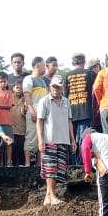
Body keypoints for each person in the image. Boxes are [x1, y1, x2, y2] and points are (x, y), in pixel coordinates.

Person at [36, 75, 75, 206]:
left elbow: (69, 121)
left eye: (58, 87)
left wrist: (73, 140)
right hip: (49, 139)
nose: (55, 89)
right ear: (50, 87)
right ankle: (52, 195)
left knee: (59, 169)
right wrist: (41, 139)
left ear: (62, 88)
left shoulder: (66, 102)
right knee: (50, 169)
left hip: (63, 139)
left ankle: (48, 196)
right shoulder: (44, 101)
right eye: (53, 87)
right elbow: (39, 121)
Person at [65, 53, 95, 163]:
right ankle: (82, 162)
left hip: (71, 112)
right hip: (85, 111)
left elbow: (65, 94)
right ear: (84, 61)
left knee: (72, 138)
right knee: (83, 138)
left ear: (73, 62)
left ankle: (73, 163)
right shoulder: (90, 73)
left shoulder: (67, 75)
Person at [22, 57, 49, 123]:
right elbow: (26, 96)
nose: (45, 68)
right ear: (37, 65)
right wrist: (32, 112)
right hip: (34, 114)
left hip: (43, 114)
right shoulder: (29, 79)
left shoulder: (43, 81)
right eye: (43, 65)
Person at [11, 81, 27, 165]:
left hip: (21, 129)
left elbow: (25, 114)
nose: (19, 90)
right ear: (13, 88)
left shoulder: (25, 99)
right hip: (11, 128)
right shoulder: (9, 98)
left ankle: (22, 166)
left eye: (21, 88)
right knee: (12, 149)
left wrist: (24, 105)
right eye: (17, 88)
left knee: (21, 149)